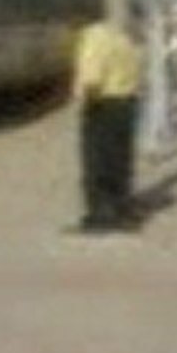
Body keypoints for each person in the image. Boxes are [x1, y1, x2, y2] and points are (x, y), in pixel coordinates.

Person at [73, 14, 142, 233]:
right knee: (120, 162)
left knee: (97, 163)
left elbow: (92, 80)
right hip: (127, 104)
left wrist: (86, 104)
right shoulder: (122, 38)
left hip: (104, 106)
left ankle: (100, 218)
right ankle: (122, 212)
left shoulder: (93, 38)